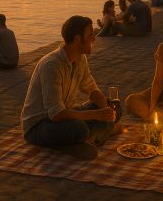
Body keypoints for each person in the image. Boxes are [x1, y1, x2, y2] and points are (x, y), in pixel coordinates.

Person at [21, 15, 120, 160]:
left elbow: (92, 90)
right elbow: (56, 114)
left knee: (116, 108)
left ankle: (81, 141)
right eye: (91, 35)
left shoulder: (80, 58)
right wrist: (97, 115)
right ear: (77, 39)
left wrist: (107, 111)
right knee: (78, 128)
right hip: (40, 125)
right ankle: (86, 138)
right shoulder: (52, 65)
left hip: (66, 115)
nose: (94, 39)